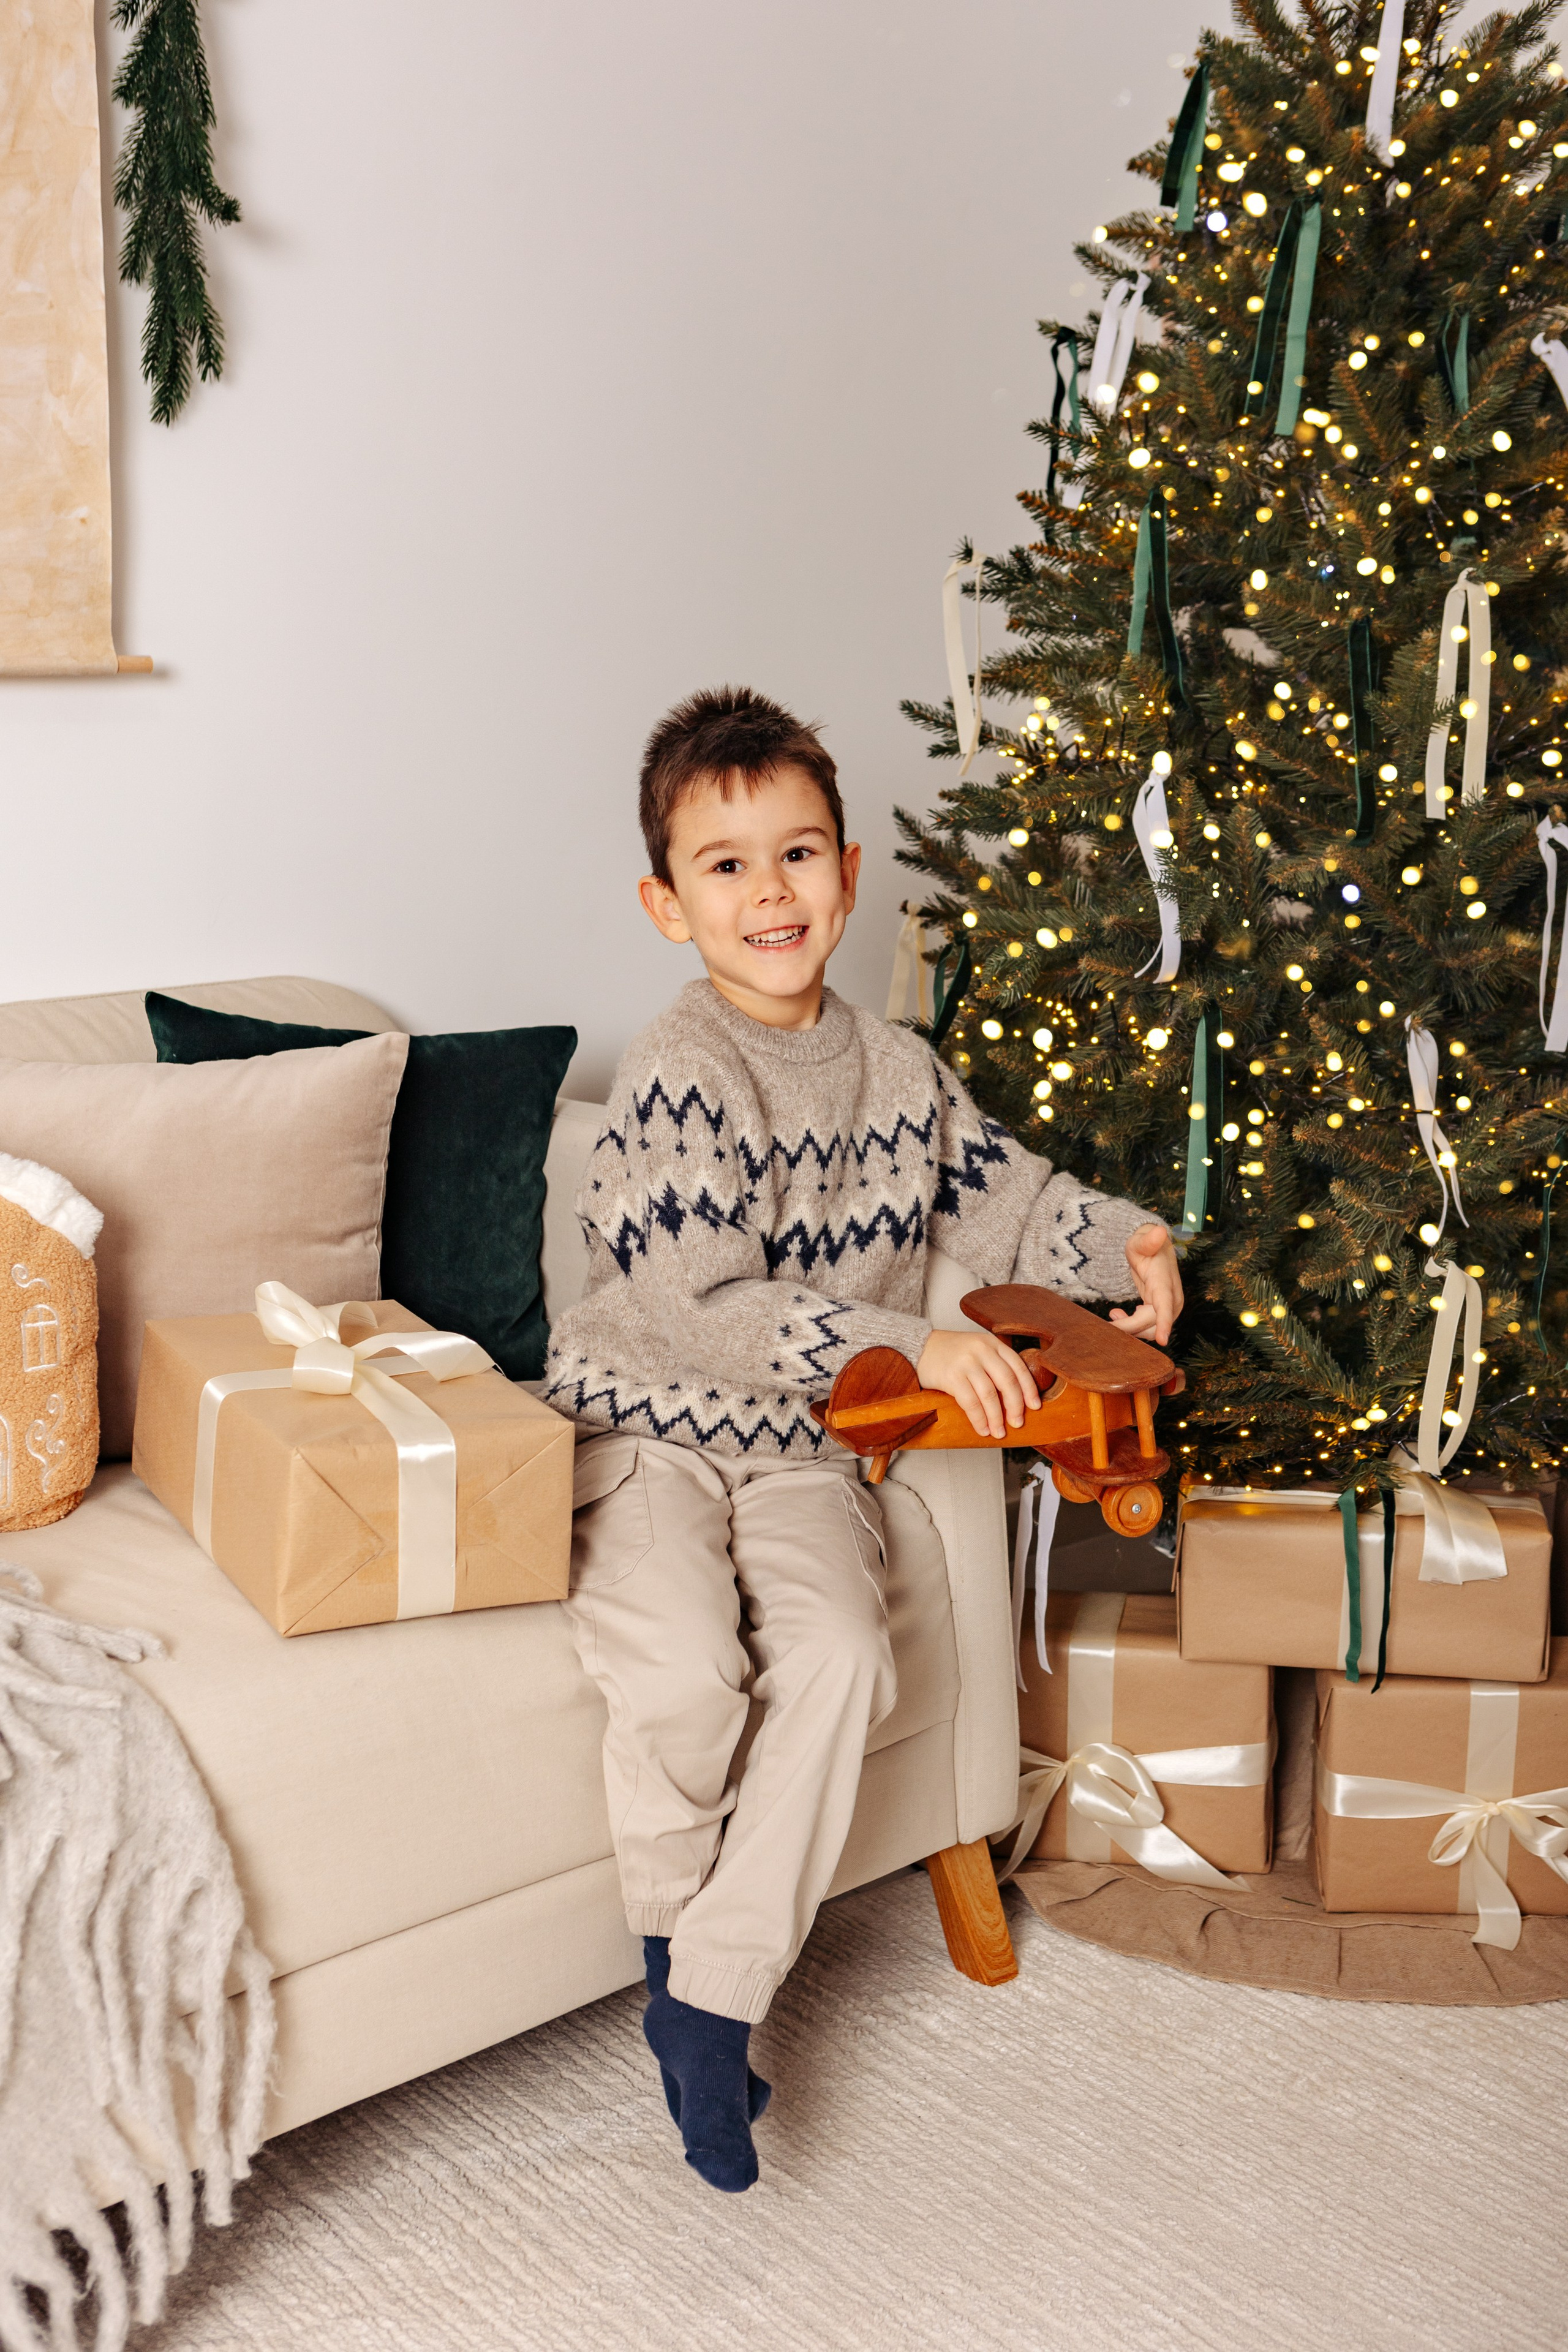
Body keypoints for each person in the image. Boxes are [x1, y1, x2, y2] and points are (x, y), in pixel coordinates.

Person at [543, 686, 1181, 2192]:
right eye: (726, 865)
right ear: (666, 902)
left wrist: (1126, 1233)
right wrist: (904, 1338)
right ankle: (679, 1958)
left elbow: (1007, 1199)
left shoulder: (897, 1069)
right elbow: (695, 1305)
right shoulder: (682, 1067)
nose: (770, 892)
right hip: (644, 1430)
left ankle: (706, 2000)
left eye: (799, 854)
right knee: (688, 1668)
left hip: (814, 1451)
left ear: (844, 873)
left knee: (841, 1654)